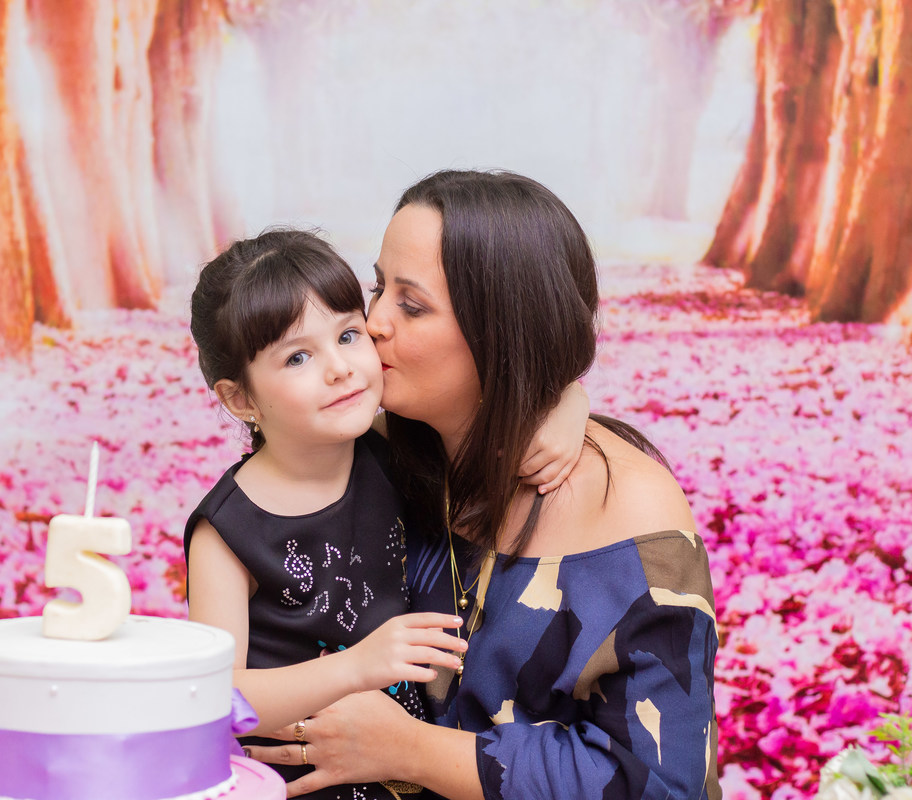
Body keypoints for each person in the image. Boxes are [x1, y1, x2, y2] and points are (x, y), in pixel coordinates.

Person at [247, 171, 721, 800]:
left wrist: (410, 750)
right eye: (379, 287)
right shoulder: (384, 452)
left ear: (505, 331)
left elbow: (659, 782)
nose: (374, 321)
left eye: (411, 305)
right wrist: (562, 395)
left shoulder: (627, 505)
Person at [184, 228, 589, 800]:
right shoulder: (226, 532)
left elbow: (495, 409)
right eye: (298, 356)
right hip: (299, 781)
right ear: (241, 399)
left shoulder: (390, 446)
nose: (341, 368)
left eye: (349, 334)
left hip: (407, 771)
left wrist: (569, 405)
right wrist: (356, 668)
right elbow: (208, 694)